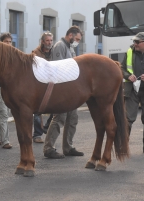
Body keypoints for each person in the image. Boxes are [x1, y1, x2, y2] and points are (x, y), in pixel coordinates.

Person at [43, 26, 84, 159]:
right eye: (77, 39)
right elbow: (58, 68)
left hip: (71, 90)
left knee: (73, 118)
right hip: (61, 90)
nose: (77, 41)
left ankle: (68, 147)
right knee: (59, 118)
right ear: (70, 35)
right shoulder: (60, 46)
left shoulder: (70, 47)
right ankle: (48, 148)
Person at [32, 32, 54, 143]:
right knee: (37, 111)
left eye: (51, 40)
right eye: (47, 40)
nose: (49, 43)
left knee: (57, 108)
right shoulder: (36, 53)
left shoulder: (54, 52)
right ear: (42, 41)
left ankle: (46, 127)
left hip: (53, 83)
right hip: (39, 85)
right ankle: (37, 134)